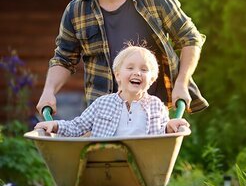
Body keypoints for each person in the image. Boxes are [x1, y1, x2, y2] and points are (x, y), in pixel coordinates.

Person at [36, 0, 208, 116]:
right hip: (104, 117)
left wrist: (181, 84)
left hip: (156, 115)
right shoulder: (76, 10)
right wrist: (48, 91)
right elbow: (64, 58)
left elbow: (189, 38)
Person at [34, 45, 190, 137]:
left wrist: (170, 126)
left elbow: (162, 132)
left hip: (143, 166)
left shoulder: (156, 106)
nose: (137, 73)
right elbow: (77, 126)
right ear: (118, 75)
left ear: (152, 79)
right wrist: (55, 126)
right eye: (130, 68)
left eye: (144, 70)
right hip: (106, 164)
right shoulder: (102, 104)